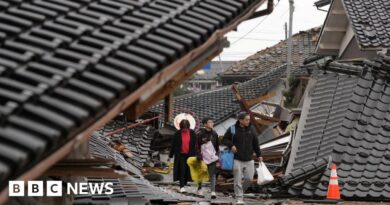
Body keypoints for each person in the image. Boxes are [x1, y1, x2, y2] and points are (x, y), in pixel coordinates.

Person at [222, 112, 262, 205]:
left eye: (249, 119)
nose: (248, 121)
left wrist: (259, 155)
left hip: (249, 158)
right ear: (240, 120)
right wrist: (231, 145)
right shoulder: (232, 129)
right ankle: (239, 198)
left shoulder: (251, 129)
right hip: (237, 158)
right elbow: (224, 139)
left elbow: (255, 142)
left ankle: (240, 193)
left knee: (249, 178)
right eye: (246, 119)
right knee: (238, 179)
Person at [168, 119, 197, 193]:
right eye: (183, 128)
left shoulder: (192, 133)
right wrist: (170, 156)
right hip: (180, 155)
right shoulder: (177, 133)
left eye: (186, 128)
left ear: (188, 127)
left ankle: (184, 183)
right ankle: (182, 186)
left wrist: (197, 155)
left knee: (188, 170)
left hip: (190, 155)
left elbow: (196, 145)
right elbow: (173, 145)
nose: (185, 129)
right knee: (182, 170)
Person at [196, 117, 219, 199]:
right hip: (202, 157)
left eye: (212, 122)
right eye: (210, 122)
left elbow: (217, 146)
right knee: (201, 173)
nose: (212, 123)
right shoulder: (200, 134)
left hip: (212, 157)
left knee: (212, 174)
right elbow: (197, 146)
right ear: (205, 124)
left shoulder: (215, 134)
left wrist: (217, 156)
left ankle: (213, 191)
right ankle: (200, 189)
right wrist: (199, 155)